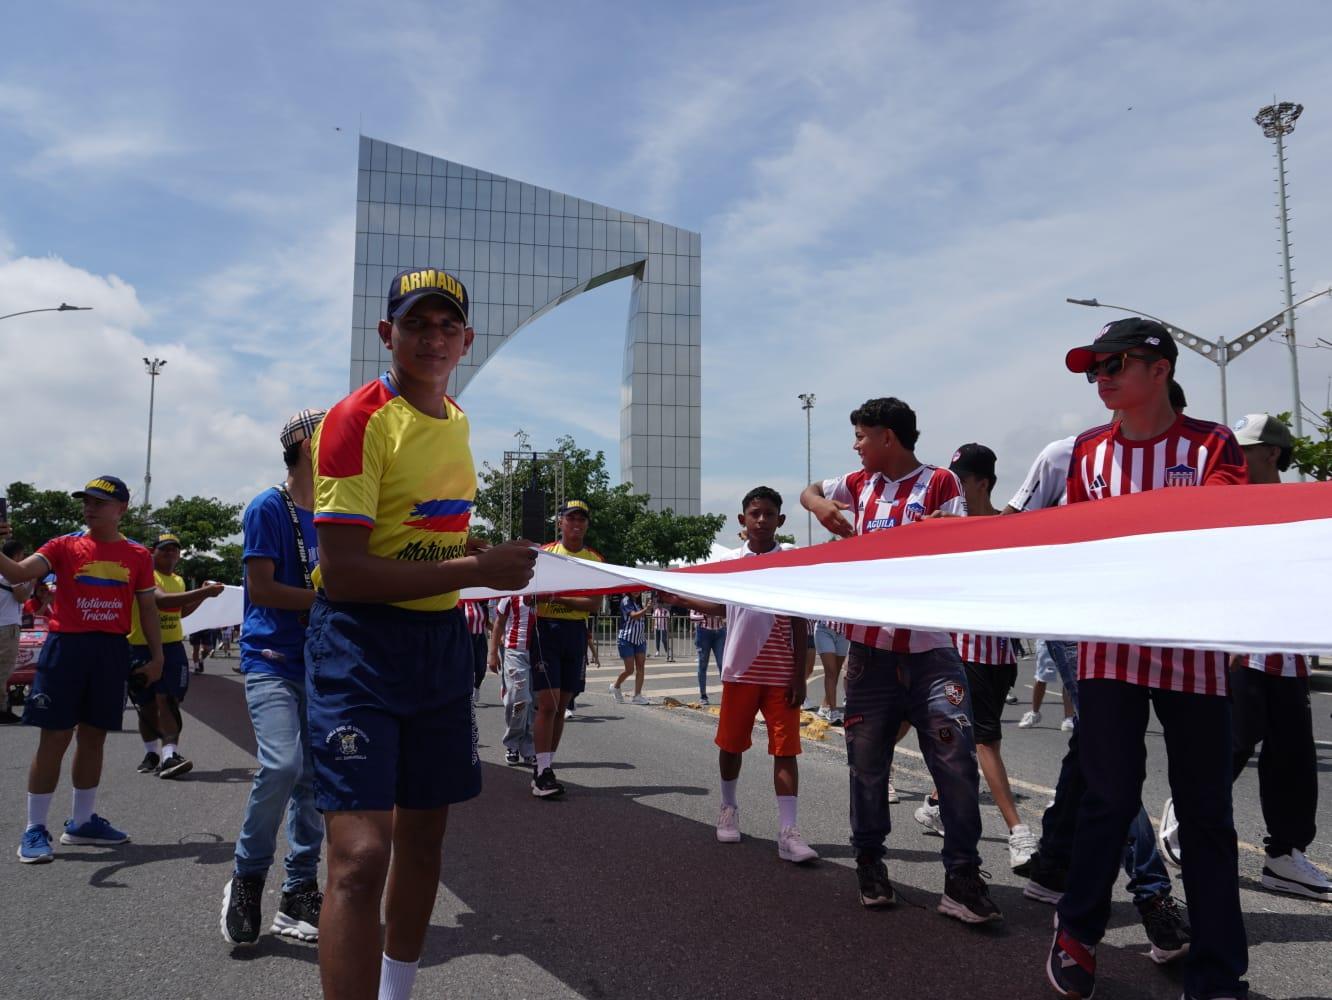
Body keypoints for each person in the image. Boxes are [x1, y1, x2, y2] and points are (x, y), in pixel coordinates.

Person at [307, 266, 537, 1000]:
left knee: (426, 840)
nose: (432, 338)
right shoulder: (356, 420)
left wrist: (481, 567)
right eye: (416, 324)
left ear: (466, 340)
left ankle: (397, 990)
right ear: (388, 335)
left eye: (447, 326)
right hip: (360, 644)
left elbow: (432, 545)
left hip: (439, 648)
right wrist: (477, 568)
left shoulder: (459, 420)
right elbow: (343, 573)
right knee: (359, 856)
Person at [1046, 319, 1249, 1000]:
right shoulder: (1086, 454)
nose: (1100, 378)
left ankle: (1217, 970)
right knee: (1107, 799)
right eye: (1092, 369)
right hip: (1109, 650)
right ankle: (1076, 932)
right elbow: (1072, 539)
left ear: (1158, 369)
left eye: (1113, 364)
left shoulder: (1213, 443)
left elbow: (1217, 527)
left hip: (1193, 651)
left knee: (1206, 815)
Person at [801, 397, 999, 923]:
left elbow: (958, 542)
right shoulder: (859, 483)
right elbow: (810, 490)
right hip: (869, 653)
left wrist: (942, 531)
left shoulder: (940, 484)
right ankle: (870, 863)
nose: (856, 445)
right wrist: (819, 506)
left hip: (932, 651)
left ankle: (961, 877)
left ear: (888, 437)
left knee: (956, 764)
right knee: (866, 767)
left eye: (862, 436)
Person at [1006, 430, 1191, 969]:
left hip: (1149, 628)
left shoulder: (1190, 454)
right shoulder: (1066, 453)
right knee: (1112, 761)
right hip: (1077, 627)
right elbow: (1016, 525)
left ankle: (1053, 870)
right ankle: (1153, 893)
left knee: (1090, 752)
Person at [1166, 412, 1329, 900]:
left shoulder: (1297, 505)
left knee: (1293, 756)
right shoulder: (1223, 503)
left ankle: (1284, 856)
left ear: (1272, 454)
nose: (1232, 455)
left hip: (1288, 653)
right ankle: (1183, 814)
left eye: (1245, 448)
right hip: (1237, 651)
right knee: (1232, 745)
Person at [0, 475, 161, 864]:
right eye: (86, 502)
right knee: (54, 738)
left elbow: (148, 608)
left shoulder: (138, 555)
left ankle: (82, 821)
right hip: (66, 648)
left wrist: (158, 656)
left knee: (93, 738)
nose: (89, 508)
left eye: (99, 503)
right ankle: (35, 828)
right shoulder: (62, 546)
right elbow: (20, 574)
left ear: (121, 509)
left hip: (110, 651)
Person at [660, 486, 817, 864]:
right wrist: (682, 599)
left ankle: (788, 832)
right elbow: (721, 605)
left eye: (769, 514)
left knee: (786, 750)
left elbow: (798, 618)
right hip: (740, 670)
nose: (761, 520)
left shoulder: (792, 560)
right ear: (742, 521)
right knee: (731, 745)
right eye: (754, 513)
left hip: (781, 674)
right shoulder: (730, 561)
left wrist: (800, 675)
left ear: (781, 520)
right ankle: (728, 808)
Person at [222, 409, 328, 948]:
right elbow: (260, 590)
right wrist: (333, 601)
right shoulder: (269, 506)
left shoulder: (337, 511)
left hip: (322, 664)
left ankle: (300, 889)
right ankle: (247, 877)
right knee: (283, 764)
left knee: (314, 781)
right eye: (329, 433)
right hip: (271, 659)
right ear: (306, 444)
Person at [938, 444, 1038, 871]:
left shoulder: (1006, 529)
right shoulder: (948, 527)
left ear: (984, 483)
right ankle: (1018, 831)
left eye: (961, 478)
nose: (955, 487)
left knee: (972, 741)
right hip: (962, 654)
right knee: (982, 741)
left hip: (999, 655)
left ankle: (933, 804)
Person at [128, 532, 225, 779]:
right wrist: (203, 593)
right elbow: (161, 602)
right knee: (147, 704)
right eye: (165, 549)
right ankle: (151, 753)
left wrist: (201, 595)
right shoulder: (147, 575)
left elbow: (178, 611)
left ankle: (170, 755)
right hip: (141, 647)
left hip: (172, 647)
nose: (170, 553)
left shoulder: (179, 581)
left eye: (175, 549)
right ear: (153, 551)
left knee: (168, 701)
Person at [531, 500, 603, 799]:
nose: (576, 523)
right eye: (570, 518)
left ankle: (546, 765)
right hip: (545, 630)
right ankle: (541, 771)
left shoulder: (595, 559)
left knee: (562, 705)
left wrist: (558, 598)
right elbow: (530, 599)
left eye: (581, 519)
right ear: (560, 522)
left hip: (574, 633)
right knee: (547, 704)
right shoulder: (545, 554)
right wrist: (561, 599)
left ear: (586, 524)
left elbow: (593, 605)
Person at [490, 594, 537, 767]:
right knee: (519, 699)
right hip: (515, 652)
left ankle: (529, 747)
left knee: (534, 702)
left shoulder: (546, 593)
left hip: (540, 652)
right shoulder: (510, 595)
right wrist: (493, 653)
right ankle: (512, 743)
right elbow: (499, 623)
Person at [1, 539, 35, 723]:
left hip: (3, 624)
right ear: (15, 555)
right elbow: (22, 597)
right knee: (3, 670)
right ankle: (2, 709)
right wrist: (32, 581)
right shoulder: (9, 574)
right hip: (7, 627)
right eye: (22, 555)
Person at [1017, 642, 1074, 731]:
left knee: (1068, 676)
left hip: (1067, 638)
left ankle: (1069, 718)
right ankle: (1034, 713)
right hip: (1047, 639)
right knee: (1042, 676)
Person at [609, 591, 650, 704]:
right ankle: (616, 686)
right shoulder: (626, 600)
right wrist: (646, 609)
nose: (636, 592)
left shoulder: (638, 603)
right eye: (634, 589)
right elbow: (634, 616)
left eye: (638, 589)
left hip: (639, 639)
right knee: (630, 670)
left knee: (641, 668)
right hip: (626, 639)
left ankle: (637, 695)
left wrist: (647, 607)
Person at [812, 619, 848, 724]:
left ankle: (824, 706)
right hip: (824, 629)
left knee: (835, 672)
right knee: (831, 671)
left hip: (844, 632)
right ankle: (833, 711)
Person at [693, 606, 726, 706]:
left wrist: (722, 617)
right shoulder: (697, 599)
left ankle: (727, 695)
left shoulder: (719, 598)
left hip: (720, 632)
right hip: (703, 632)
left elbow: (728, 614)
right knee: (703, 665)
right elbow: (692, 617)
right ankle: (703, 695)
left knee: (722, 664)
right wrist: (705, 616)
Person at [461, 598, 490, 704]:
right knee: (468, 668)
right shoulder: (463, 603)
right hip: (467, 639)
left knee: (481, 668)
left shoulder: (482, 605)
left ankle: (476, 687)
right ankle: (467, 695)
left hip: (481, 638)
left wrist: (500, 635)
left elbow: (487, 623)